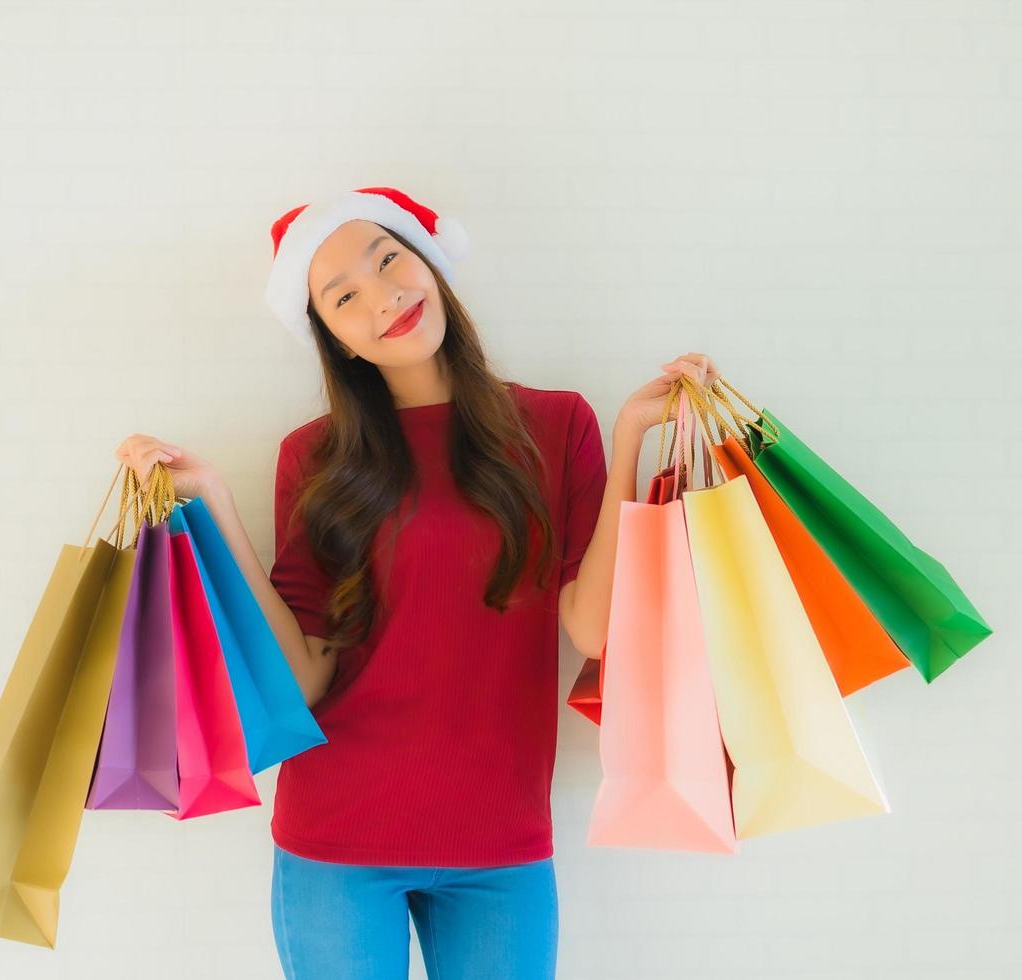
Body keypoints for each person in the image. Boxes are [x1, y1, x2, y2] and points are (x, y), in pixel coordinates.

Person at [114, 186, 719, 979]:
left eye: (389, 258)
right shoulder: (317, 456)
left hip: (501, 844)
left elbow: (592, 632)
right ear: (336, 340)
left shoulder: (559, 424)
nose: (384, 296)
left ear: (430, 261)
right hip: (337, 838)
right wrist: (218, 508)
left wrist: (630, 439)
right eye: (345, 297)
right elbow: (304, 672)